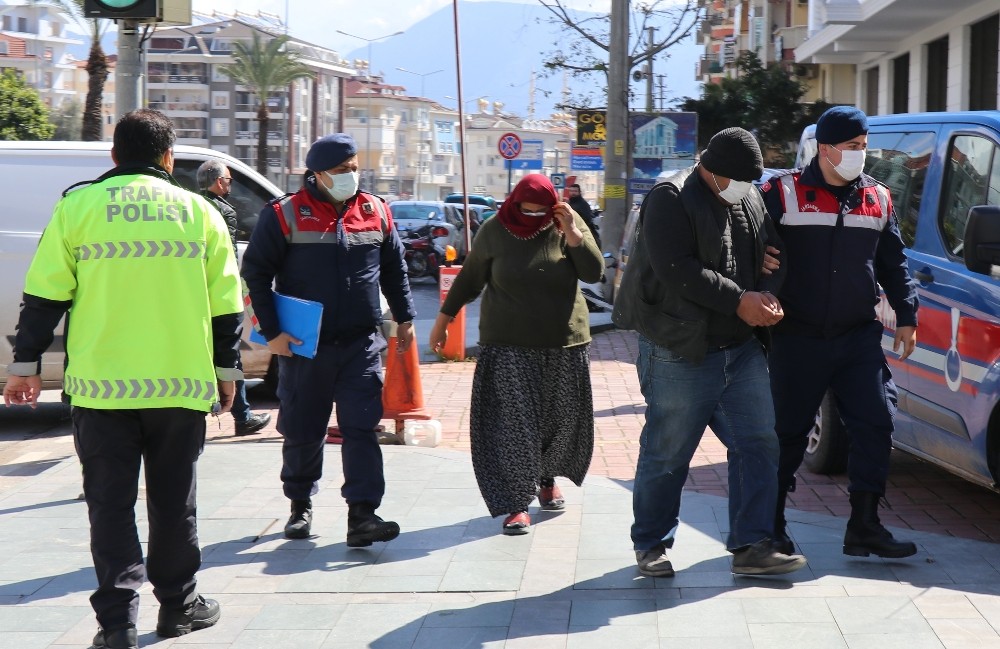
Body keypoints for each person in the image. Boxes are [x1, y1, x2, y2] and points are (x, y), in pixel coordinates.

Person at [2, 108, 241, 649]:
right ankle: (179, 607)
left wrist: (26, 368)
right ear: (168, 158)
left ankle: (117, 626)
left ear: (114, 156)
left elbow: (44, 295)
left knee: (109, 505)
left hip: (100, 389)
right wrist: (227, 372)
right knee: (173, 500)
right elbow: (226, 305)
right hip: (179, 387)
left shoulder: (77, 207)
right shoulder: (198, 212)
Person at [612, 127, 807, 577]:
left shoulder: (749, 196)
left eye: (750, 183)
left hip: (740, 348)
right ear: (710, 170)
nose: (744, 190)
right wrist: (741, 297)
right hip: (680, 349)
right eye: (737, 181)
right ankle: (651, 543)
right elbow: (677, 269)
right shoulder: (670, 197)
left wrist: (768, 295)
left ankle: (752, 545)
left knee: (758, 441)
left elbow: (776, 250)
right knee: (668, 452)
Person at [760, 106, 919, 559]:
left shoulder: (878, 198)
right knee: (786, 433)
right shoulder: (781, 192)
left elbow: (893, 262)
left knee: (876, 422)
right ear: (825, 149)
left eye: (864, 148)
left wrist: (906, 314)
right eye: (852, 148)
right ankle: (770, 526)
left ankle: (865, 525)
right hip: (795, 336)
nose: (859, 156)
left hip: (856, 336)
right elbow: (746, 241)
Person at [241, 133, 416, 545]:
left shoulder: (376, 210)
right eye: (341, 171)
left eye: (354, 169)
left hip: (361, 344)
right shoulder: (284, 214)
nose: (351, 177)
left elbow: (395, 269)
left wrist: (405, 317)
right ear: (317, 174)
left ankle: (362, 515)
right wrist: (272, 332)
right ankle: (300, 505)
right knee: (304, 429)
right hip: (305, 346)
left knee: (361, 428)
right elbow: (257, 274)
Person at [428, 174, 604, 535]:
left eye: (542, 211)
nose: (534, 217)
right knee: (512, 425)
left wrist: (571, 231)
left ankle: (546, 478)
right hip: (507, 343)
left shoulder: (567, 221)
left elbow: (593, 271)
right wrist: (443, 320)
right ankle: (515, 503)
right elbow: (470, 278)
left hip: (563, 342)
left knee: (557, 421)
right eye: (528, 210)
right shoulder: (494, 230)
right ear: (515, 203)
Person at [196, 160, 272, 437]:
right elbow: (226, 256)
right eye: (228, 180)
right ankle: (242, 415)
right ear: (218, 182)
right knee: (231, 356)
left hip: (194, 293)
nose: (229, 185)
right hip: (220, 294)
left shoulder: (193, 206)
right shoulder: (224, 210)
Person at [566, 183, 602, 249]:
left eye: (575, 191)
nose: (573, 193)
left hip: (582, 234)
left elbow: (587, 219)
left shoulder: (583, 204)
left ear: (579, 192)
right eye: (571, 191)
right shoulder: (568, 203)